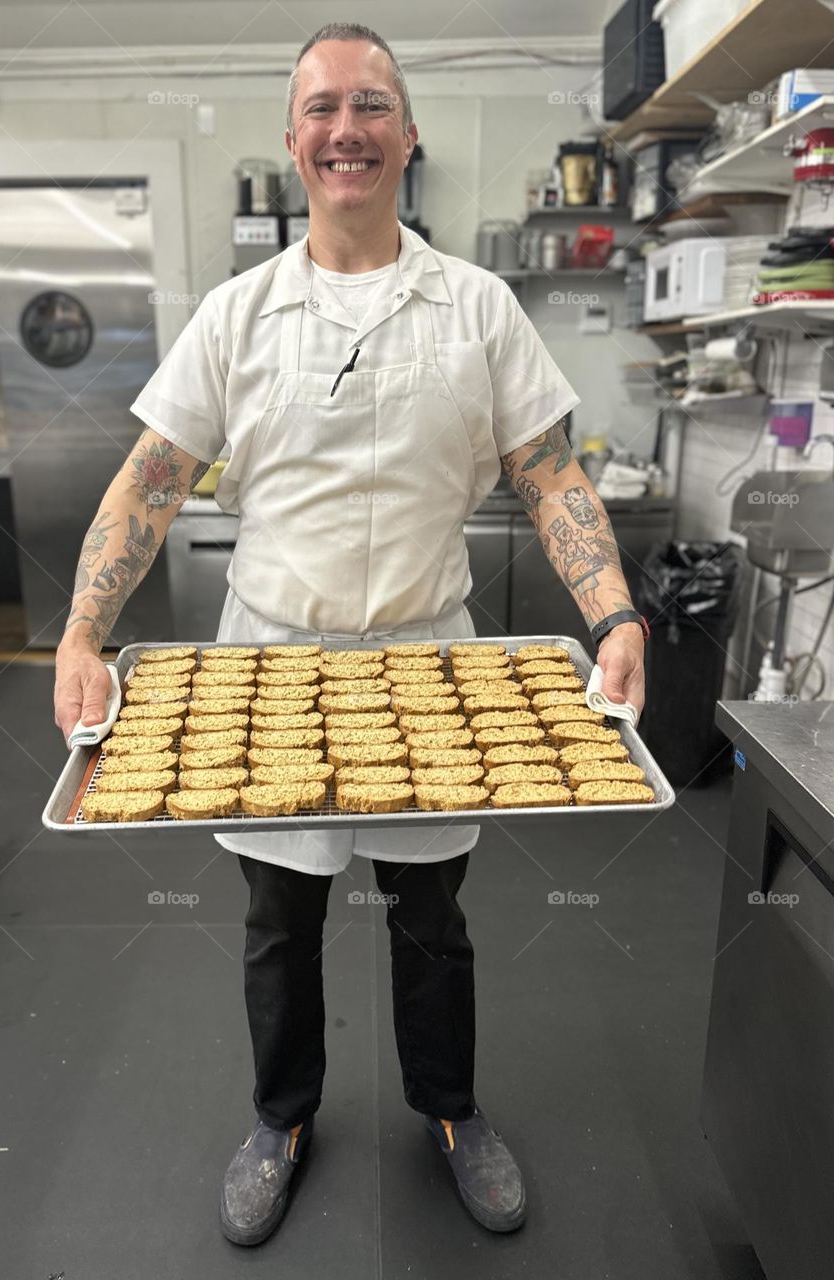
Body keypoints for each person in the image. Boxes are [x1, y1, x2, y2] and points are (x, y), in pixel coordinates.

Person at [54, 21, 648, 1248]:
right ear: (293, 141)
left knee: (433, 920)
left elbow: (549, 471)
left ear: (407, 133)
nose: (346, 128)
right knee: (280, 921)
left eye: (371, 104)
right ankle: (280, 1118)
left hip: (429, 657)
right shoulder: (237, 314)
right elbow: (153, 478)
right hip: (271, 662)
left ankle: (451, 1109)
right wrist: (80, 629)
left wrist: (615, 611)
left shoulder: (476, 307)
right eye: (322, 108)